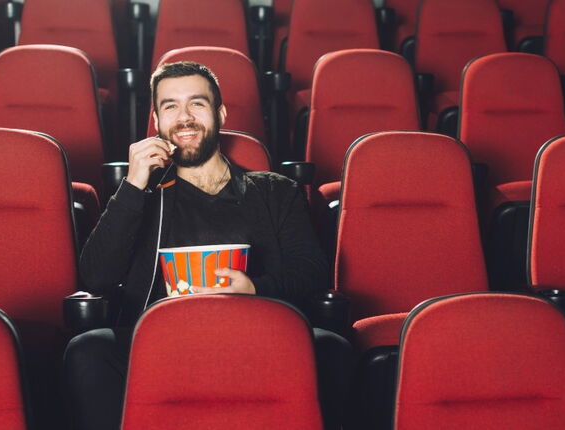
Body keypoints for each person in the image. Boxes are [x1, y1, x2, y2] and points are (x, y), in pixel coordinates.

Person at [65, 61, 351, 430]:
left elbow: (310, 269)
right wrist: (134, 185)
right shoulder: (142, 195)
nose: (184, 117)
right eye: (171, 106)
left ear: (220, 113)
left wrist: (254, 288)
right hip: (162, 345)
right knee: (88, 349)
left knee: (331, 348)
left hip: (258, 339)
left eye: (197, 104)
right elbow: (97, 276)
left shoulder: (274, 190)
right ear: (156, 121)